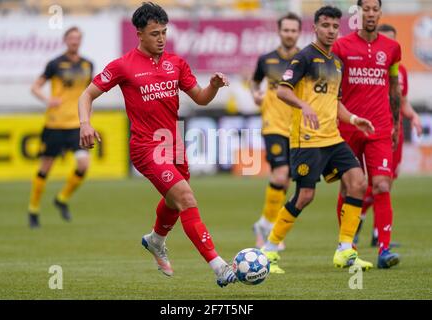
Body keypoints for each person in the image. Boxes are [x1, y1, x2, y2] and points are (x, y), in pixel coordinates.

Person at [78, 2, 237, 287]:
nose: (161, 38)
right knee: (186, 198)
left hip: (174, 141)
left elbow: (200, 97)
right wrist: (85, 124)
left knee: (174, 202)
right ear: (139, 33)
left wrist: (213, 85)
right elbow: (86, 96)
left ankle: (155, 240)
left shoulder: (175, 63)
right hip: (145, 147)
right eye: (154, 33)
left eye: (164, 32)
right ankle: (220, 267)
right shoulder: (122, 66)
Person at [261, 6, 375, 273]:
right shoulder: (304, 58)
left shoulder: (337, 63)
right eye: (325, 26)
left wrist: (354, 119)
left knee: (357, 182)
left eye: (335, 26)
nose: (331, 31)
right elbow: (282, 92)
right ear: (315, 27)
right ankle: (269, 250)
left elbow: (335, 103)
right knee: (305, 196)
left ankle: (345, 250)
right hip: (307, 140)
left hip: (332, 137)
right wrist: (305, 106)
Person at [332, 0, 402, 268]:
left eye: (375, 9)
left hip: (380, 127)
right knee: (350, 186)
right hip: (349, 127)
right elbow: (332, 87)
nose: (370, 13)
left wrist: (395, 124)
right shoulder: (341, 46)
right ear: (358, 13)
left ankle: (384, 250)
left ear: (380, 13)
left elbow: (393, 87)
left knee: (382, 185)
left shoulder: (392, 48)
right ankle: (348, 246)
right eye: (366, 9)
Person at [353, 23, 423, 247]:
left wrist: (413, 116)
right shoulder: (363, 66)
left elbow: (401, 100)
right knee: (364, 184)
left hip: (395, 130)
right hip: (371, 129)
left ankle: (376, 235)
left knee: (386, 183)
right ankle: (355, 227)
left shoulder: (400, 71)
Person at [28, 26, 93, 228]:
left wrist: (87, 119)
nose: (74, 41)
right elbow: (35, 87)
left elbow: (89, 93)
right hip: (55, 124)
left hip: (76, 124)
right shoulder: (55, 64)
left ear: (80, 41)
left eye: (78, 38)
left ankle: (62, 199)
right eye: (71, 38)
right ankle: (33, 209)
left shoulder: (87, 64)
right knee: (45, 167)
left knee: (83, 165)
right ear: (65, 40)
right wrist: (47, 99)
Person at [250, 13, 302, 255]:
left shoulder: (306, 59)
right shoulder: (266, 60)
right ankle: (270, 228)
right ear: (279, 31)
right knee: (280, 175)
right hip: (273, 125)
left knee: (287, 181)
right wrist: (256, 94)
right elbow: (254, 81)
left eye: (293, 30)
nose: (289, 34)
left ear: (299, 33)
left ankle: (262, 224)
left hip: (298, 129)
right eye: (286, 30)